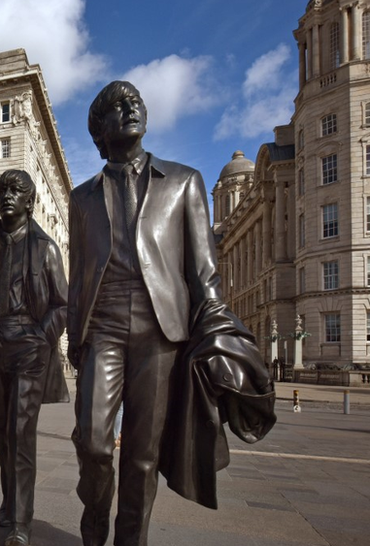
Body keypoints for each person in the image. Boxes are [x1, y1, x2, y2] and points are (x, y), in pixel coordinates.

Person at [67, 81, 275, 546]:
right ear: (99, 128)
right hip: (100, 328)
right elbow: (78, 276)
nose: (131, 108)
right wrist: (75, 342)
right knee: (96, 444)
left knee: (143, 455)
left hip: (160, 331)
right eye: (117, 106)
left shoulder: (184, 181)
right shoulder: (81, 199)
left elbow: (203, 273)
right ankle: (94, 519)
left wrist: (222, 336)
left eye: (135, 101)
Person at [0, 169, 69, 546]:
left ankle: (21, 522)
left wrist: (41, 337)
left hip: (29, 344)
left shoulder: (46, 249)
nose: (8, 196)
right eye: (3, 190)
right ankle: (11, 497)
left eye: (17, 191)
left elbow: (61, 304)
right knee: (0, 432)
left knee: (21, 432)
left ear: (30, 201)